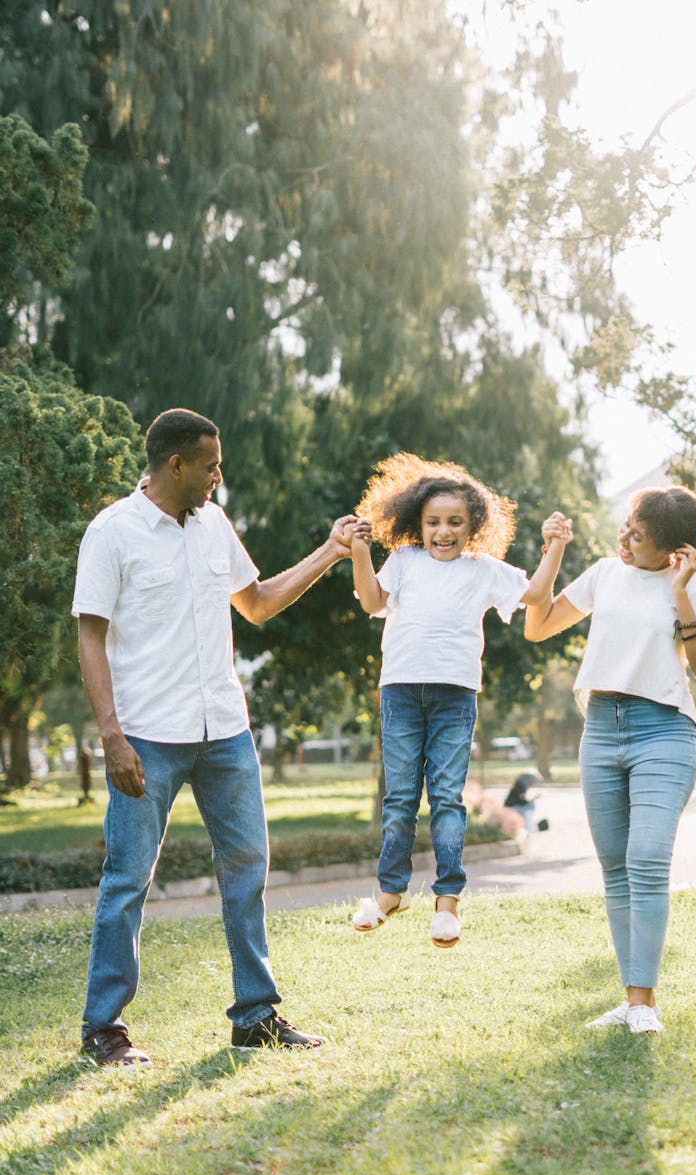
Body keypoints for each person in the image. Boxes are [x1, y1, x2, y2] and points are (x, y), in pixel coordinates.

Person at [72, 407, 356, 1066]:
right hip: (147, 735)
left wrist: (331, 551)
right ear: (176, 464)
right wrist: (111, 736)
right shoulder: (112, 532)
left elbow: (255, 602)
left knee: (247, 870)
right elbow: (89, 634)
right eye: (210, 464)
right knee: (128, 880)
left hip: (225, 731)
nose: (218, 476)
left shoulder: (214, 524)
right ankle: (103, 1028)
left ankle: (255, 1016)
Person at [344, 452, 572, 948]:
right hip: (401, 692)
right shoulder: (404, 561)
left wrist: (553, 547)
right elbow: (371, 601)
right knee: (401, 797)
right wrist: (361, 553)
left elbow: (534, 594)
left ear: (474, 526)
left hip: (454, 696)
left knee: (447, 797)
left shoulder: (483, 569)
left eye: (455, 522)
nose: (443, 532)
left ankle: (447, 902)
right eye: (432, 522)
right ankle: (390, 893)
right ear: (416, 524)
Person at [525, 485, 696, 1036]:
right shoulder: (606, 573)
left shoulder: (695, 582)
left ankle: (643, 1004)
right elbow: (536, 627)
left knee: (647, 858)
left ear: (676, 551)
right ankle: (633, 1000)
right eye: (627, 527)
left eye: (640, 536)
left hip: (665, 730)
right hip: (601, 729)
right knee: (616, 871)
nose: (626, 540)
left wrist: (680, 591)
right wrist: (554, 551)